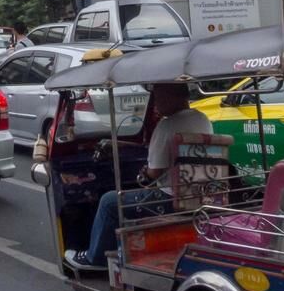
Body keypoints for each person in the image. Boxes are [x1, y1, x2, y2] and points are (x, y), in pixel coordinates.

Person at [65, 82, 212, 271]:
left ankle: (95, 259)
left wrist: (145, 172)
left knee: (110, 201)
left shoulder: (167, 125)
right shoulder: (202, 119)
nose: (157, 104)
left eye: (158, 98)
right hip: (199, 195)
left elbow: (154, 173)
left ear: (171, 96)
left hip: (168, 200)